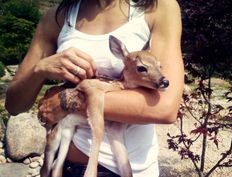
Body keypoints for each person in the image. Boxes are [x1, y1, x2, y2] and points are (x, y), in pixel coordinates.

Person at [5, 0, 184, 176]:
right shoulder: (58, 16)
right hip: (64, 166)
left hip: (126, 170)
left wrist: (67, 100)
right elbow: (14, 105)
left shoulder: (156, 7)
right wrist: (40, 69)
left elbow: (165, 108)